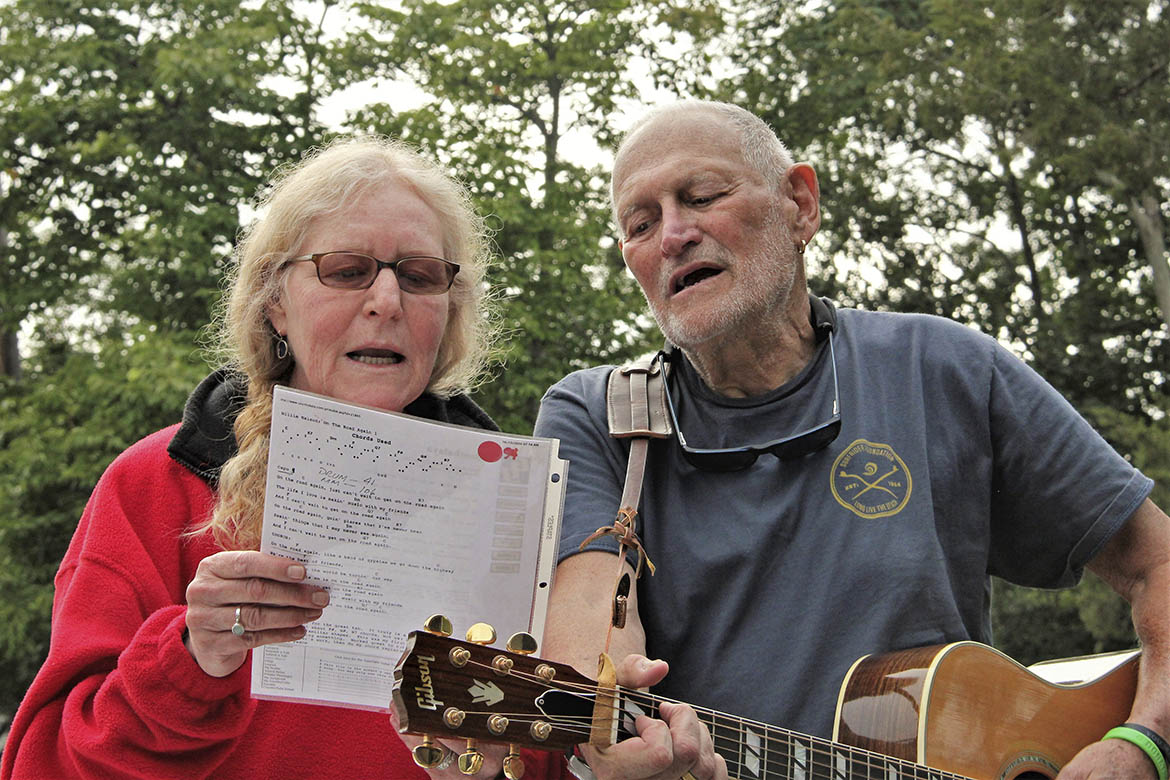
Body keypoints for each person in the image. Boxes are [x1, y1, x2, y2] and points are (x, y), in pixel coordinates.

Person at [533, 101, 1170, 780]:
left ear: (800, 205)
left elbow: (1156, 565)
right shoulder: (596, 415)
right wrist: (613, 740)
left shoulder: (943, 369)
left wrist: (1144, 741)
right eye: (641, 223)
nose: (673, 236)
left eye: (703, 196)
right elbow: (590, 659)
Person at [0, 137, 568, 779]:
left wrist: (488, 772)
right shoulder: (154, 484)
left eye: (420, 275)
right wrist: (192, 658)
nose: (387, 301)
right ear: (275, 303)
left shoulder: (516, 513)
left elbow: (551, 754)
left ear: (449, 310)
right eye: (347, 270)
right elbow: (43, 765)